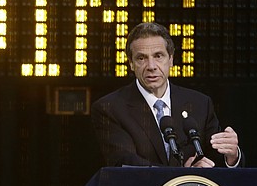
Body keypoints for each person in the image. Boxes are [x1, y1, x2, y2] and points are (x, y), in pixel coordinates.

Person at [91, 22, 242, 168]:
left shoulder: (200, 103)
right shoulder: (110, 108)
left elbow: (216, 160)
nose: (151, 66)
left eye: (158, 56)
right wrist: (182, 175)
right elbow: (125, 163)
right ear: (131, 63)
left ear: (171, 60)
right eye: (141, 58)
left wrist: (232, 155)